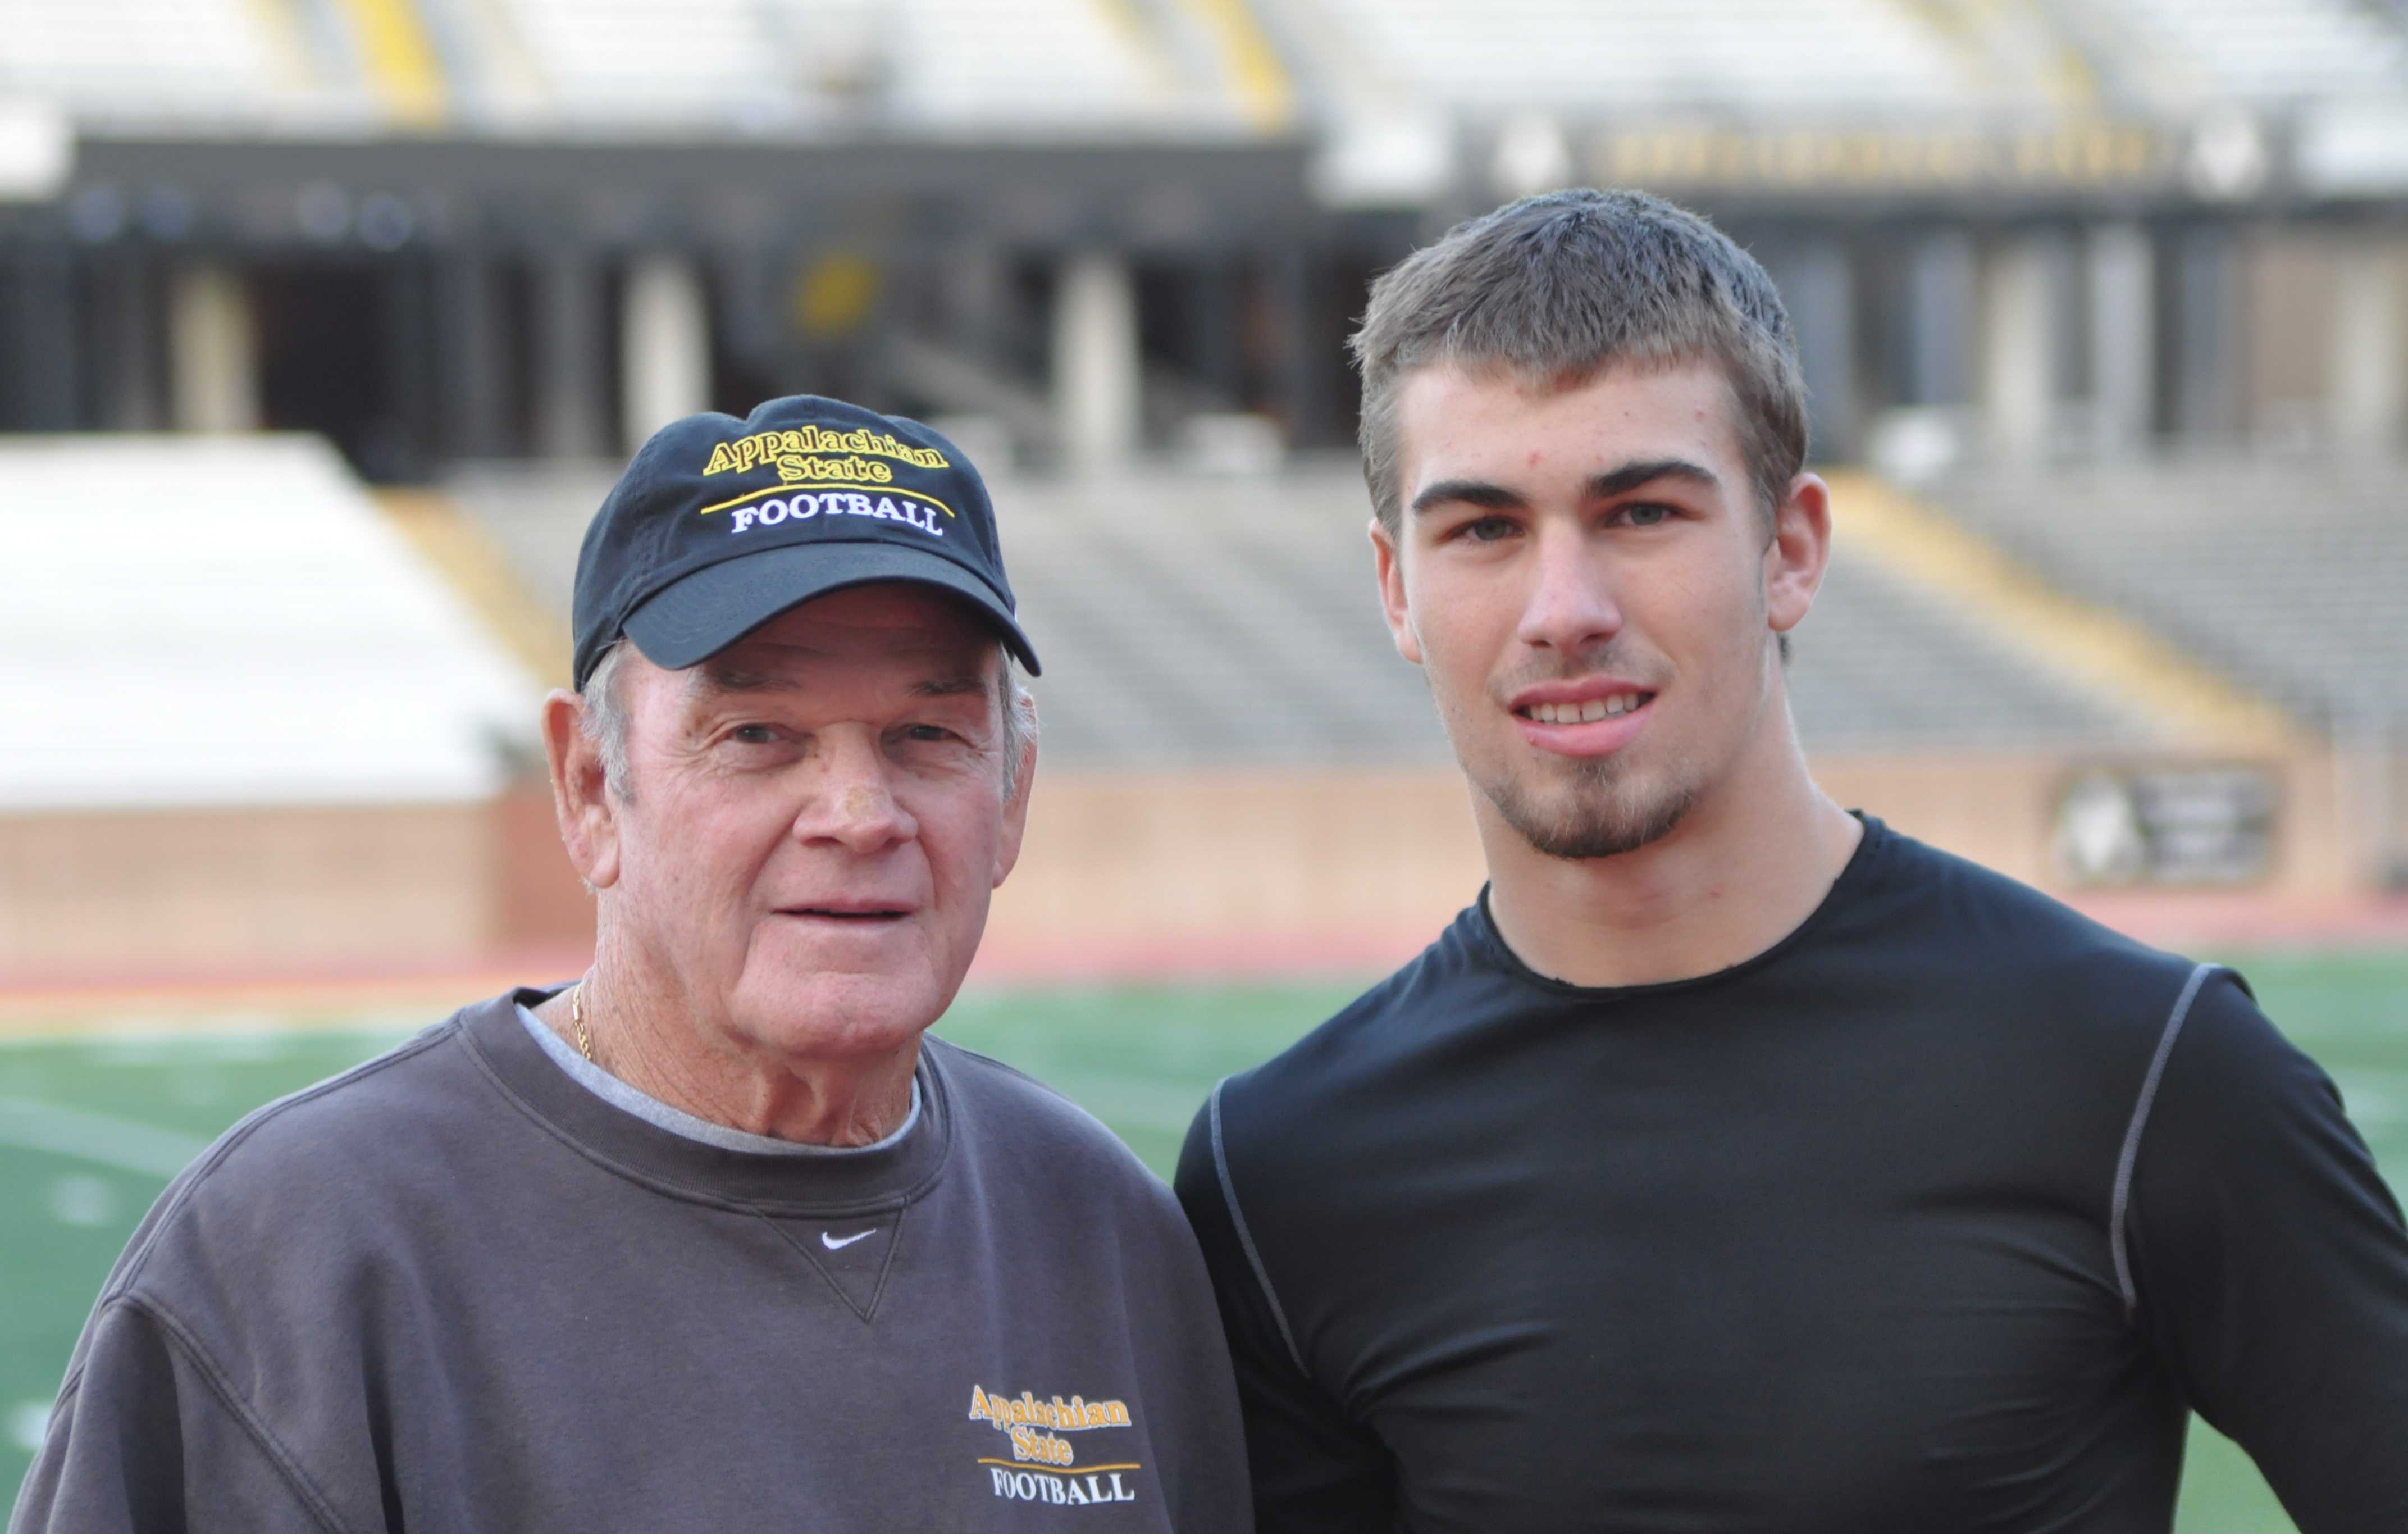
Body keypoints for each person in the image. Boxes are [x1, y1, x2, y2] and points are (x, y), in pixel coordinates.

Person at [1174, 190, 2408, 1532]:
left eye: (1640, 511)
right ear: (1395, 589)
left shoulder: (2144, 1070)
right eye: (1481, 528)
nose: (1563, 610)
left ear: (1791, 548)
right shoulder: (1279, 1171)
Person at [16, 395, 1251, 1532]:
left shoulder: (1101, 1230)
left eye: (927, 734)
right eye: (757, 734)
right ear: (592, 785)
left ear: (1012, 789)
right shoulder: (297, 1249)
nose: (859, 812)